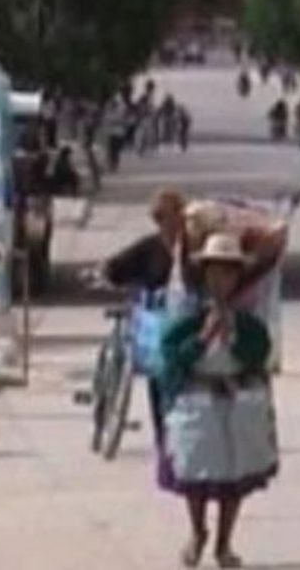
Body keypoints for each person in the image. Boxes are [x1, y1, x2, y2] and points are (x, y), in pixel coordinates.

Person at [159, 233, 279, 569]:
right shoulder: (187, 319)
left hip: (234, 403)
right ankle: (198, 531)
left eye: (228, 272)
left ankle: (225, 543)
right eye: (214, 272)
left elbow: (258, 355)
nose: (221, 280)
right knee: (195, 473)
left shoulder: (249, 323)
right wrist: (202, 339)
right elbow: (171, 359)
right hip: (197, 402)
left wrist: (234, 339)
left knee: (233, 477)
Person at [101, 189, 188, 444]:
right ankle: (163, 433)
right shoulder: (149, 248)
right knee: (157, 374)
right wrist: (104, 272)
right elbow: (116, 267)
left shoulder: (192, 248)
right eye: (160, 218)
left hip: (183, 321)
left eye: (170, 217)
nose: (166, 224)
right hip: (156, 323)